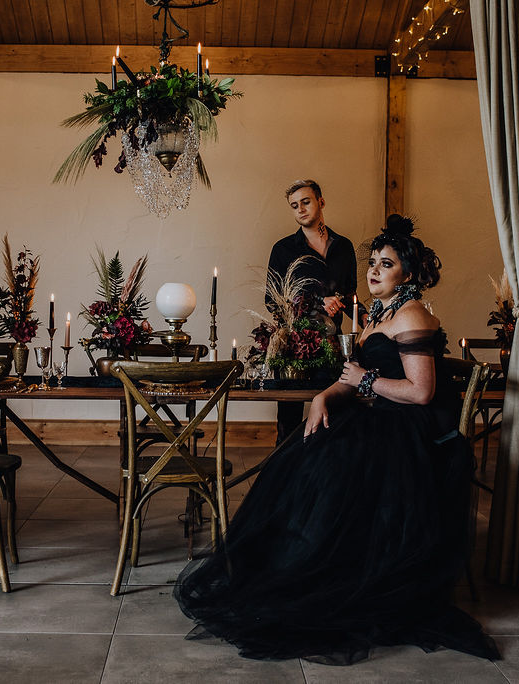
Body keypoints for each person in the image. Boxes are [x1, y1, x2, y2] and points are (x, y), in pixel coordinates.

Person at [175, 215, 500, 665]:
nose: (373, 270)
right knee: (304, 454)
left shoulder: (412, 314)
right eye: (372, 262)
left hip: (412, 430)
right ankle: (293, 573)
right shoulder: (377, 314)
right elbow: (352, 378)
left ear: (407, 273)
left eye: (385, 265)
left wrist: (364, 382)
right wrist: (323, 396)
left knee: (332, 465)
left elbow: (421, 392)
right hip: (380, 413)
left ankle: (331, 578)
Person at [267, 179, 358, 444]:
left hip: (334, 344)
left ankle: (325, 473)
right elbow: (273, 301)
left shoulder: (344, 246)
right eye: (294, 206)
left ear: (321, 201)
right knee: (288, 421)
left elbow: (350, 295)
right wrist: (319, 301)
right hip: (295, 346)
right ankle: (282, 474)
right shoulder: (282, 250)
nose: (300, 210)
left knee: (335, 414)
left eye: (305, 202)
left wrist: (367, 317)